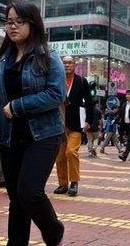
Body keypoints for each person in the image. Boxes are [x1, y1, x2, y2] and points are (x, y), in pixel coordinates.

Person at [0, 1, 66, 246]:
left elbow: (56, 95)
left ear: (32, 24)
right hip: (9, 135)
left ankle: (53, 230)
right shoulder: (2, 58)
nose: (12, 26)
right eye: (8, 22)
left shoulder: (48, 56)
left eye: (18, 22)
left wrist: (17, 107)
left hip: (43, 135)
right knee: (16, 197)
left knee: (29, 192)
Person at [53, 56, 94, 197]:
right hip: (59, 124)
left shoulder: (81, 81)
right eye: (64, 63)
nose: (67, 65)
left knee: (71, 152)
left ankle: (74, 182)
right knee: (59, 156)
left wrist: (89, 121)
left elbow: (89, 103)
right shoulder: (56, 80)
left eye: (70, 63)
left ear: (75, 65)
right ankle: (63, 184)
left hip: (76, 125)